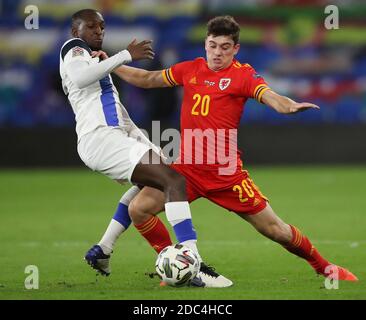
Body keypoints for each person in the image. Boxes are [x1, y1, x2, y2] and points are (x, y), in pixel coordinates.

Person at [89, 15, 358, 284]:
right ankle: (182, 264)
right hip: (188, 169)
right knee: (139, 209)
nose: (218, 52)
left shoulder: (242, 75)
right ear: (206, 44)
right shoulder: (190, 69)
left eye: (225, 47)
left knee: (276, 230)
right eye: (213, 45)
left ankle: (325, 268)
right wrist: (112, 65)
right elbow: (148, 78)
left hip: (225, 173)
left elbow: (271, 96)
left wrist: (289, 106)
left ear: (236, 49)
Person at [60, 9, 231, 287]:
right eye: (91, 27)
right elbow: (80, 78)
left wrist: (151, 147)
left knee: (151, 185)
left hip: (112, 136)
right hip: (101, 139)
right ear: (74, 31)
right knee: (173, 180)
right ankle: (194, 263)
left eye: (102, 27)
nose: (98, 32)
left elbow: (120, 116)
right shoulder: (74, 48)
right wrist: (125, 55)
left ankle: (103, 248)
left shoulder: (97, 64)